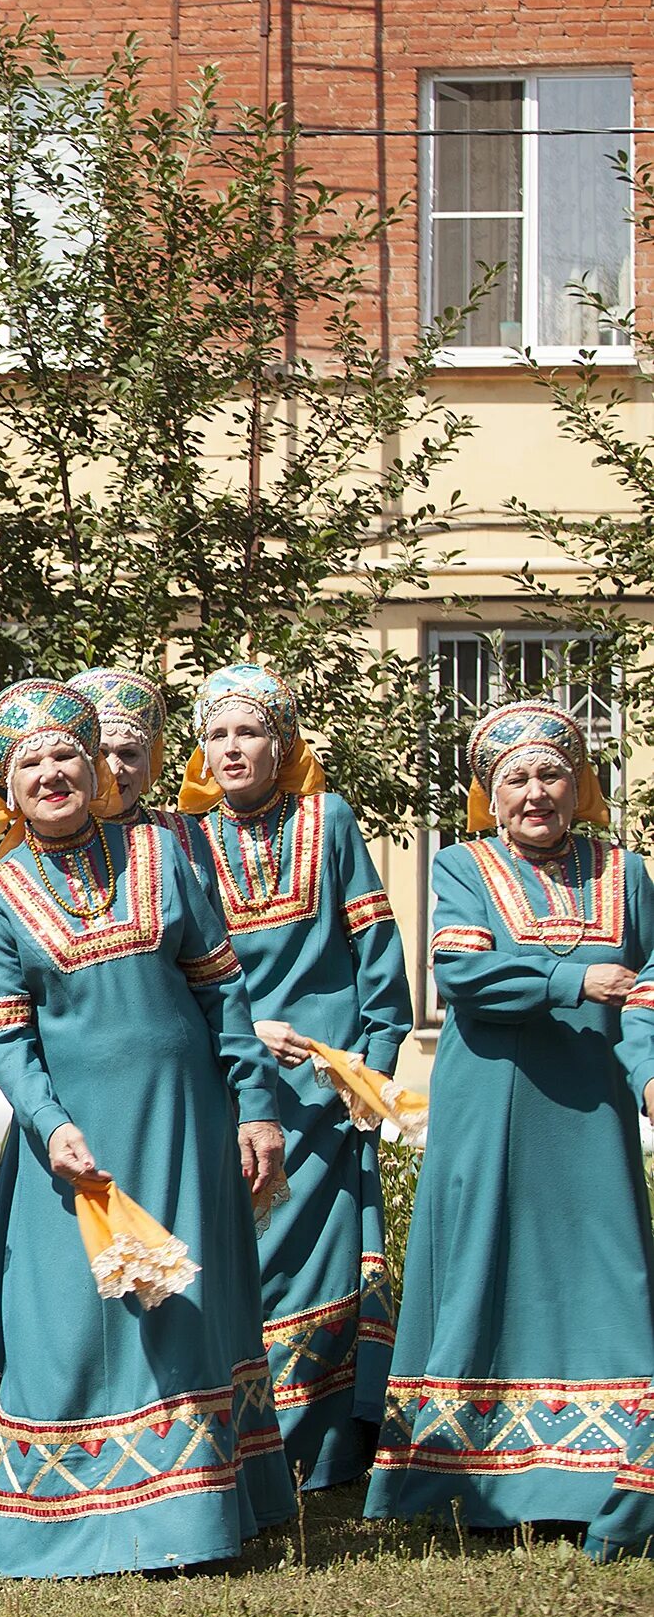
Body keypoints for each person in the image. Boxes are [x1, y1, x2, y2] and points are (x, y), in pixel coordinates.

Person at [0, 679, 294, 1577]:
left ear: (92, 766)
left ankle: (193, 1523)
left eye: (65, 752)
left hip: (182, 1122)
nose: (52, 772)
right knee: (70, 1319)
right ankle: (62, 1524)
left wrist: (254, 1104)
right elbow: (5, 1034)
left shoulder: (159, 851)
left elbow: (222, 990)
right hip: (77, 1146)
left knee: (187, 1307)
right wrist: (47, 1123)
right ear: (5, 784)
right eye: (28, 762)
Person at [366, 699, 654, 1550]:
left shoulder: (626, 871)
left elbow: (646, 986)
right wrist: (574, 983)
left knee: (606, 1277)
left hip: (591, 1109)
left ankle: (612, 1480)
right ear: (489, 796)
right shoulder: (461, 865)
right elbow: (462, 976)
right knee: (481, 1271)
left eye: (551, 774)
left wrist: (649, 1072)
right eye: (514, 779)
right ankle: (467, 1480)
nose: (535, 793)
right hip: (491, 1104)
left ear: (582, 785)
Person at [177, 664, 411, 1490]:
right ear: (200, 751)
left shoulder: (329, 819)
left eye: (248, 732)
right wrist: (240, 1037)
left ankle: (320, 1452)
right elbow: (184, 972)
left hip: (326, 1090)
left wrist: (373, 1073)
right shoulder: (182, 839)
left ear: (282, 745)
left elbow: (376, 954)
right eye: (217, 734)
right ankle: (244, 1445)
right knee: (246, 1256)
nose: (232, 748)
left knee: (326, 1257)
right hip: (234, 1083)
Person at [70, 668, 183, 834]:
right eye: (100, 755)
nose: (114, 770)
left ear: (148, 761)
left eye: (128, 754)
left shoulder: (182, 832)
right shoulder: (35, 844)